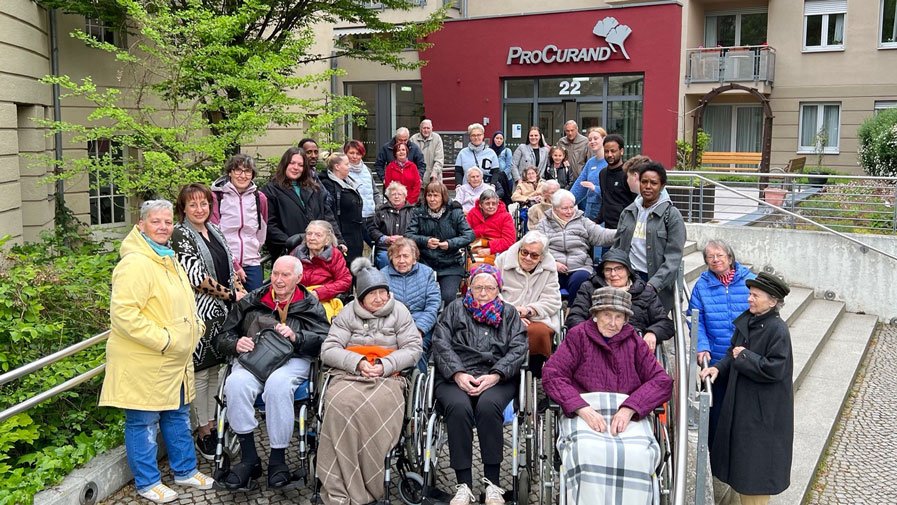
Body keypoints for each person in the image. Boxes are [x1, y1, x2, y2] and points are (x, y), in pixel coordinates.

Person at [100, 200, 214, 503]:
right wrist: (166, 340)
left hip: (173, 360)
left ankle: (185, 471)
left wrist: (196, 327)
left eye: (167, 222)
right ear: (141, 225)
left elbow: (185, 302)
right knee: (142, 422)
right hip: (147, 361)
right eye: (156, 222)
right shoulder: (135, 263)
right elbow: (124, 316)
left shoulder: (166, 257)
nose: (163, 227)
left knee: (177, 416)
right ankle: (148, 482)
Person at [542, 287, 673, 504]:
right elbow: (552, 375)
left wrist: (630, 408)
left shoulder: (634, 342)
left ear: (626, 319)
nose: (613, 323)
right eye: (607, 315)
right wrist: (581, 407)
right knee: (586, 452)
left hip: (627, 413)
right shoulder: (578, 336)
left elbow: (662, 381)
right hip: (584, 411)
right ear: (595, 315)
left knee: (639, 455)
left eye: (619, 317)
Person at [215, 255, 330, 491]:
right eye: (275, 273)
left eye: (285, 275)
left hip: (293, 359)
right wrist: (236, 344)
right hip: (256, 357)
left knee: (278, 385)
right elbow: (222, 337)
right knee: (235, 384)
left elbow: (324, 340)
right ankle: (249, 458)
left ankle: (277, 459)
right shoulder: (252, 301)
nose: (278, 280)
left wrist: (297, 337)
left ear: (298, 278)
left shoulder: (309, 304)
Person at [317, 257, 422, 505]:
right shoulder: (347, 313)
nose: (379, 298)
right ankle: (339, 484)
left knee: (374, 409)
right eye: (372, 294)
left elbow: (413, 349)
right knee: (340, 404)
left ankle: (369, 483)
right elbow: (329, 349)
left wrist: (385, 365)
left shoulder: (400, 312)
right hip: (350, 375)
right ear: (360, 297)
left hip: (389, 379)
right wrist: (357, 363)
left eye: (382, 292)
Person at [431, 264, 528, 505]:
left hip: (496, 377)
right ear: (469, 288)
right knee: (458, 408)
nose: (483, 292)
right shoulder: (454, 309)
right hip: (455, 375)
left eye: (489, 287)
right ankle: (463, 485)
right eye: (478, 287)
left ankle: (492, 484)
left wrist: (495, 375)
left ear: (498, 289)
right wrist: (458, 374)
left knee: (488, 406)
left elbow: (518, 348)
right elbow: (441, 344)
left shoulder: (509, 313)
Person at [699, 273, 794, 505]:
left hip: (762, 415)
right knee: (742, 466)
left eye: (755, 295)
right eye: (750, 294)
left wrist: (745, 356)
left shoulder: (778, 330)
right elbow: (733, 352)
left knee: (755, 472)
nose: (749, 299)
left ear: (772, 301)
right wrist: (718, 368)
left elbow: (775, 369)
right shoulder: (749, 320)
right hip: (744, 406)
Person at [171, 184, 246, 461]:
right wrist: (231, 294)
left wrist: (237, 284)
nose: (199, 209)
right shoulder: (180, 234)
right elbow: (195, 276)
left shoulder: (213, 230)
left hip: (223, 315)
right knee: (201, 374)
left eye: (203, 203)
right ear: (183, 208)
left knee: (218, 372)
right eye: (193, 205)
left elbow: (228, 264)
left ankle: (216, 424)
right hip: (200, 315)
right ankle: (203, 431)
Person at [689, 240, 756, 448]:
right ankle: (714, 449)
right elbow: (694, 319)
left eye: (719, 255)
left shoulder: (750, 281)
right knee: (716, 406)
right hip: (716, 356)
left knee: (742, 407)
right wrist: (701, 345)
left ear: (730, 257)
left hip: (744, 354)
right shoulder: (702, 285)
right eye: (710, 256)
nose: (715, 260)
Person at [565, 248, 674, 352]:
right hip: (596, 345)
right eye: (608, 270)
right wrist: (590, 334)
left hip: (633, 348)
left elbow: (665, 323)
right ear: (602, 272)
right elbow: (575, 317)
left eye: (619, 269)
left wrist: (653, 333)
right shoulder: (590, 288)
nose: (613, 274)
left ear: (628, 271)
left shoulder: (645, 292)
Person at [614, 162, 687, 311]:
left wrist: (653, 284)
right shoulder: (628, 212)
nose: (648, 186)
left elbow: (674, 258)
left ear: (662, 186)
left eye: (653, 183)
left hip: (654, 281)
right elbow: (617, 247)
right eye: (644, 182)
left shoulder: (672, 216)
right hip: (628, 278)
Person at [494, 231, 561, 375]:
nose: (528, 258)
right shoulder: (503, 261)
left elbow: (553, 300)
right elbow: (491, 293)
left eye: (534, 255)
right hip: (503, 312)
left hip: (535, 316)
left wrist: (528, 310)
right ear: (519, 249)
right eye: (524, 252)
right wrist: (512, 313)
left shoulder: (549, 268)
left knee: (539, 333)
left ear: (541, 257)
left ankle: (532, 373)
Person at [262, 147, 343, 258]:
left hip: (319, 251)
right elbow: (269, 226)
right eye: (292, 163)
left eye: (300, 165)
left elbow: (328, 217)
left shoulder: (314, 189)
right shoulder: (271, 190)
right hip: (290, 254)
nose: (296, 168)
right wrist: (293, 243)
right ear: (285, 164)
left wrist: (338, 241)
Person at [406, 181, 475, 308]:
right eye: (429, 195)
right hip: (425, 262)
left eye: (436, 196)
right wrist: (425, 241)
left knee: (448, 296)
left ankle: (447, 323)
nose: (432, 199)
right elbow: (409, 235)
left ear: (443, 196)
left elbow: (469, 235)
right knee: (421, 296)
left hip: (450, 264)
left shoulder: (454, 212)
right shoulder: (418, 212)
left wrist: (450, 243)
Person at [537, 189, 614, 302]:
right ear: (554, 208)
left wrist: (622, 232)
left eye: (572, 207)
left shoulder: (583, 221)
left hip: (580, 266)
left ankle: (572, 312)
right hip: (553, 268)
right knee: (544, 279)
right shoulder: (543, 224)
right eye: (564, 208)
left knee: (581, 280)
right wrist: (551, 262)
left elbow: (601, 235)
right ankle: (551, 312)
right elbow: (536, 248)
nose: (569, 211)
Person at [210, 154, 268, 292]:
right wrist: (234, 263)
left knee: (254, 306)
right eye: (238, 170)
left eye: (247, 171)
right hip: (225, 261)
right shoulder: (217, 196)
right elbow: (214, 233)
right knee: (229, 305)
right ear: (230, 172)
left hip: (252, 262)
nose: (243, 175)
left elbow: (262, 230)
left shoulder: (260, 198)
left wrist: (253, 249)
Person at [381, 238, 441, 371]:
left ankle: (417, 384)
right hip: (391, 327)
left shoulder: (427, 273)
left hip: (420, 327)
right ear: (391, 259)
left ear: (414, 258)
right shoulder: (382, 275)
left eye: (406, 256)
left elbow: (433, 305)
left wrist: (419, 329)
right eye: (397, 256)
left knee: (415, 349)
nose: (401, 261)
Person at [288, 220, 353, 321]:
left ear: (327, 240)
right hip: (298, 299)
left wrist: (319, 293)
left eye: (318, 235)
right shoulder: (296, 252)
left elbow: (345, 280)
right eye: (309, 234)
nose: (312, 238)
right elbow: (285, 274)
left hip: (324, 300)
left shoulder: (334, 255)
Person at [320, 153, 365, 264]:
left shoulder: (349, 182)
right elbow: (329, 214)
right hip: (343, 237)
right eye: (346, 164)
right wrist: (339, 239)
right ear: (337, 167)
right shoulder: (328, 185)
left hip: (355, 236)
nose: (349, 166)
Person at [366, 181, 416, 268]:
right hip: (386, 248)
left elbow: (416, 229)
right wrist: (385, 238)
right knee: (384, 258)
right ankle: (387, 281)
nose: (396, 197)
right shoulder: (381, 211)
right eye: (393, 194)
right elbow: (372, 229)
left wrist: (404, 238)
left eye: (399, 194)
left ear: (404, 196)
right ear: (388, 197)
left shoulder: (412, 212)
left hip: (408, 247)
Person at [596, 134, 636, 228]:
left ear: (621, 151)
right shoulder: (603, 174)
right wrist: (596, 221)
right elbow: (605, 201)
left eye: (613, 151)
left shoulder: (629, 174)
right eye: (606, 151)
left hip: (626, 228)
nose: (609, 155)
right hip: (608, 229)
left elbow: (637, 202)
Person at [466, 189, 517, 261]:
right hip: (474, 246)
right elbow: (465, 233)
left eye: (494, 203)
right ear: (480, 205)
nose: (491, 206)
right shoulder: (473, 213)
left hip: (497, 250)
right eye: (487, 203)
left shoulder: (506, 217)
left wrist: (490, 249)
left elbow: (509, 241)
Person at [343, 139, 382, 232]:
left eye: (358, 153)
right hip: (354, 219)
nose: (355, 156)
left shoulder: (367, 170)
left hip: (371, 216)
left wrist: (378, 207)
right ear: (345, 153)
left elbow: (375, 192)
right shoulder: (343, 172)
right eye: (351, 153)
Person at [570, 126, 607, 221]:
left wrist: (595, 188)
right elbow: (579, 185)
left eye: (595, 138)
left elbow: (613, 191)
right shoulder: (590, 162)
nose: (592, 141)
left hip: (604, 211)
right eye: (590, 139)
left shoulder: (609, 162)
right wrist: (567, 202)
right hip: (590, 209)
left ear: (604, 139)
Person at [411, 119, 445, 184]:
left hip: (434, 178)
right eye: (424, 128)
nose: (426, 130)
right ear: (420, 128)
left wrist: (435, 172)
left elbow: (439, 159)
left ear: (432, 128)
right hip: (418, 178)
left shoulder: (437, 138)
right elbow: (411, 160)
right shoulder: (413, 139)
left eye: (428, 128)